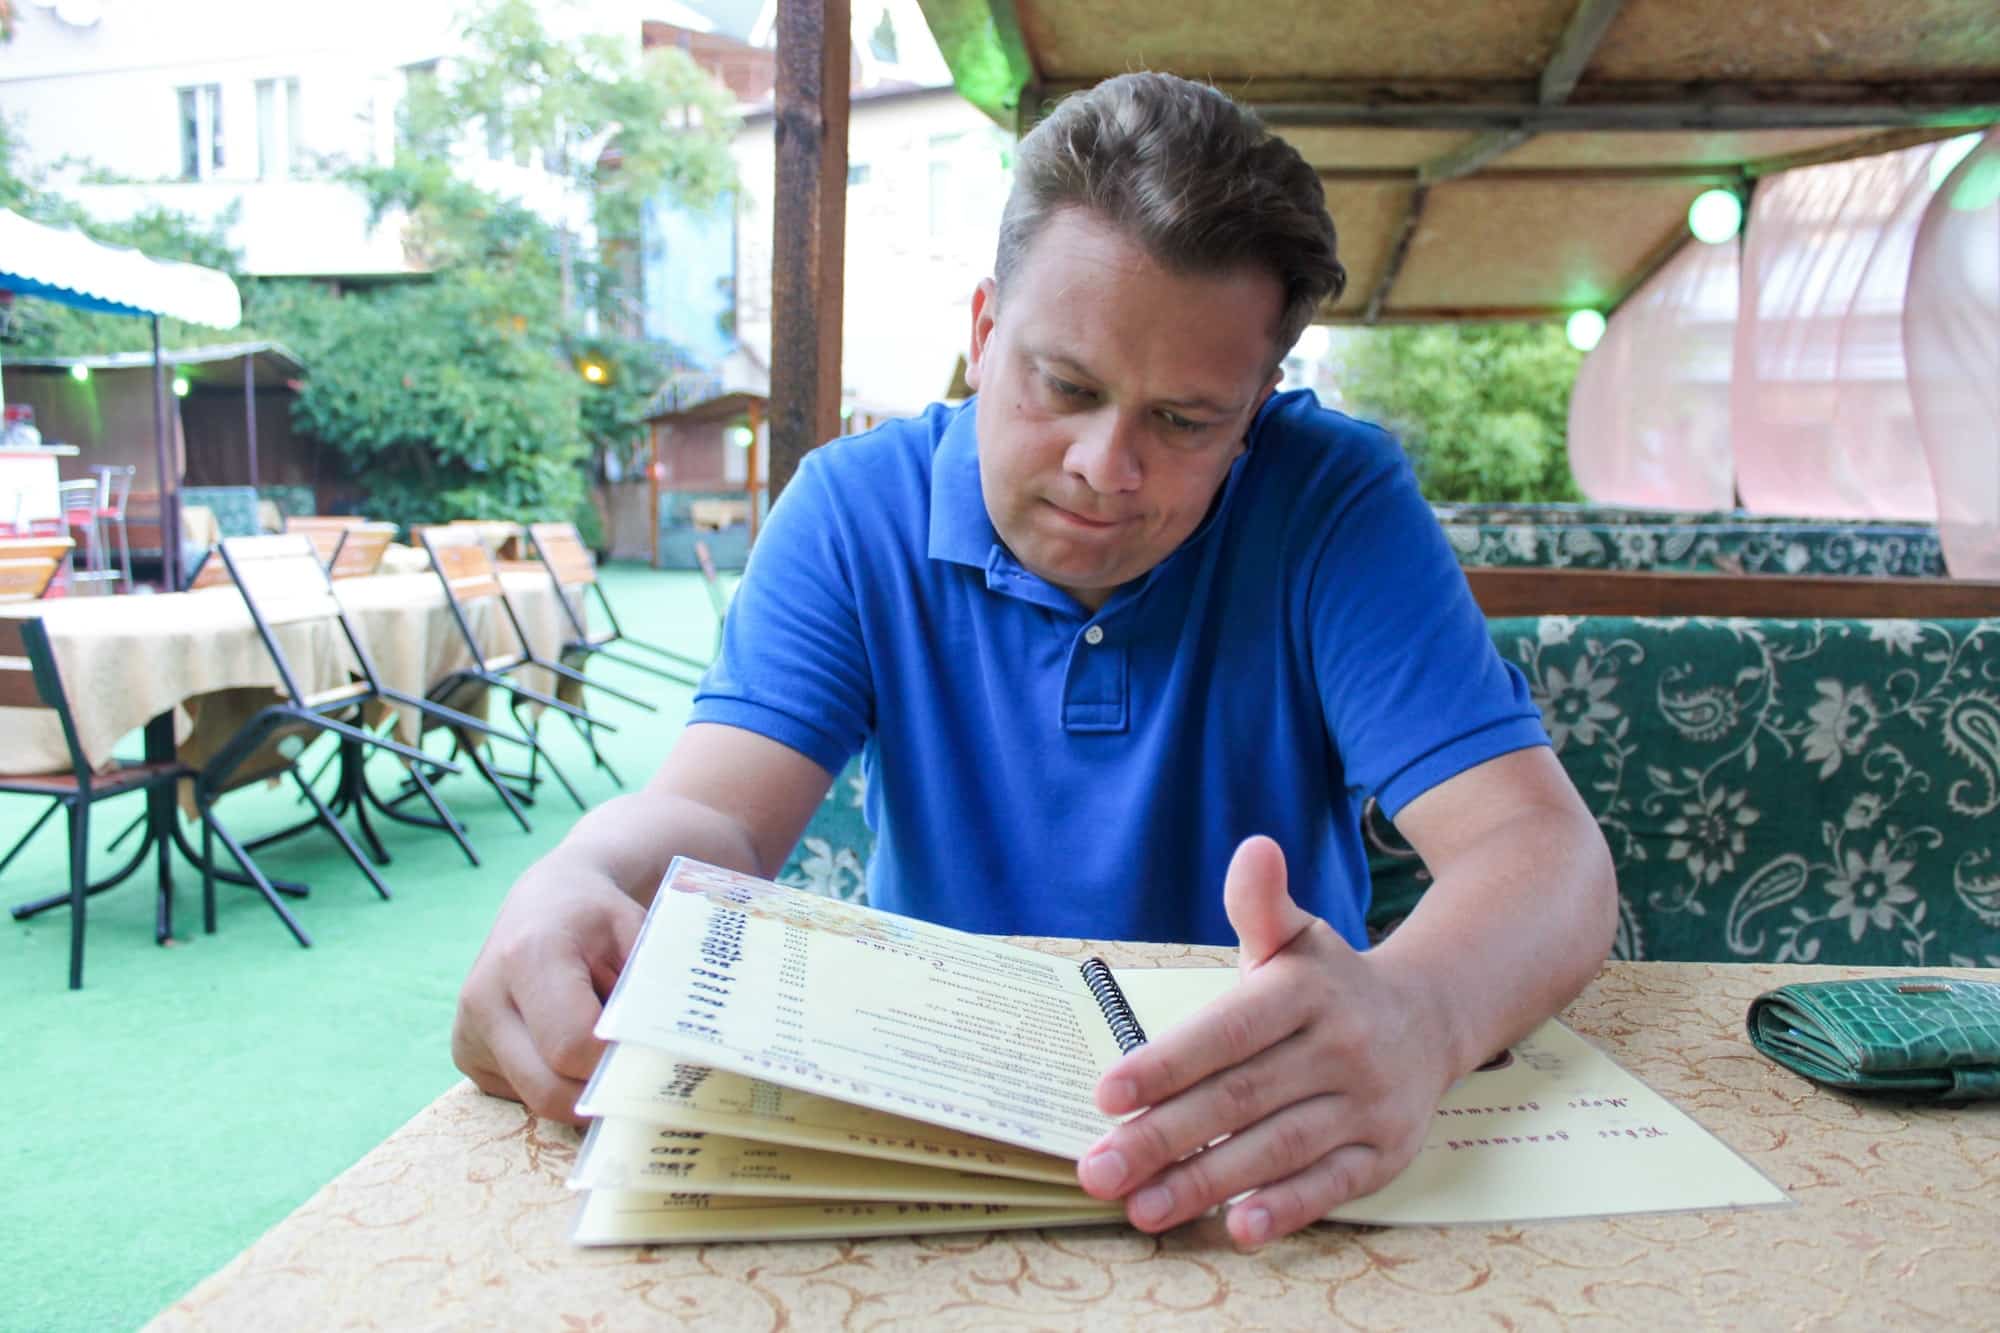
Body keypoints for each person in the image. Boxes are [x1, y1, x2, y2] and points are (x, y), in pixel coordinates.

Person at [453, 71, 1616, 1249]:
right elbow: (715, 818)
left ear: (1257, 407)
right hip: (930, 1153)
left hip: (1273, 1156)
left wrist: (1420, 1013)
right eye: (1063, 386)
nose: (1104, 466)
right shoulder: (854, 510)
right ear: (981, 332)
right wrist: (580, 875)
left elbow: (1540, 851)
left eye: (1184, 420)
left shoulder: (1330, 501)